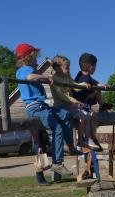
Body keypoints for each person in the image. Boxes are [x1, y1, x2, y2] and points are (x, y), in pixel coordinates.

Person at [15, 43, 79, 177]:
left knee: (65, 114)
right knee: (57, 128)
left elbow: (34, 75)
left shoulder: (31, 69)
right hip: (34, 108)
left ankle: (71, 146)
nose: (37, 59)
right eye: (35, 57)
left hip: (43, 106)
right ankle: (57, 163)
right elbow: (29, 77)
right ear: (28, 57)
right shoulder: (24, 70)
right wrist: (45, 77)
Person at [51, 55, 100, 150]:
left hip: (70, 104)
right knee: (83, 116)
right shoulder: (55, 79)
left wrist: (83, 85)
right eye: (66, 68)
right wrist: (75, 101)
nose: (69, 69)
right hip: (61, 105)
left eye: (69, 67)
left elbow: (75, 86)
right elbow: (62, 95)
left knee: (86, 115)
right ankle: (82, 140)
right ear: (57, 68)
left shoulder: (67, 76)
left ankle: (85, 139)